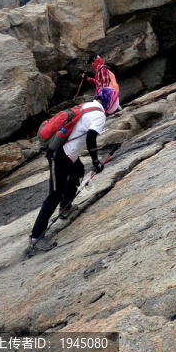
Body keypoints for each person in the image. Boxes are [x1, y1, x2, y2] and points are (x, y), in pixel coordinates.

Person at [28, 88, 117, 252]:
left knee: (78, 171)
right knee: (54, 193)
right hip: (60, 155)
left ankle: (65, 206)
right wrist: (96, 161)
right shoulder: (99, 115)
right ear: (109, 101)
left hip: (68, 154)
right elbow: (91, 137)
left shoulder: (87, 105)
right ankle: (36, 237)